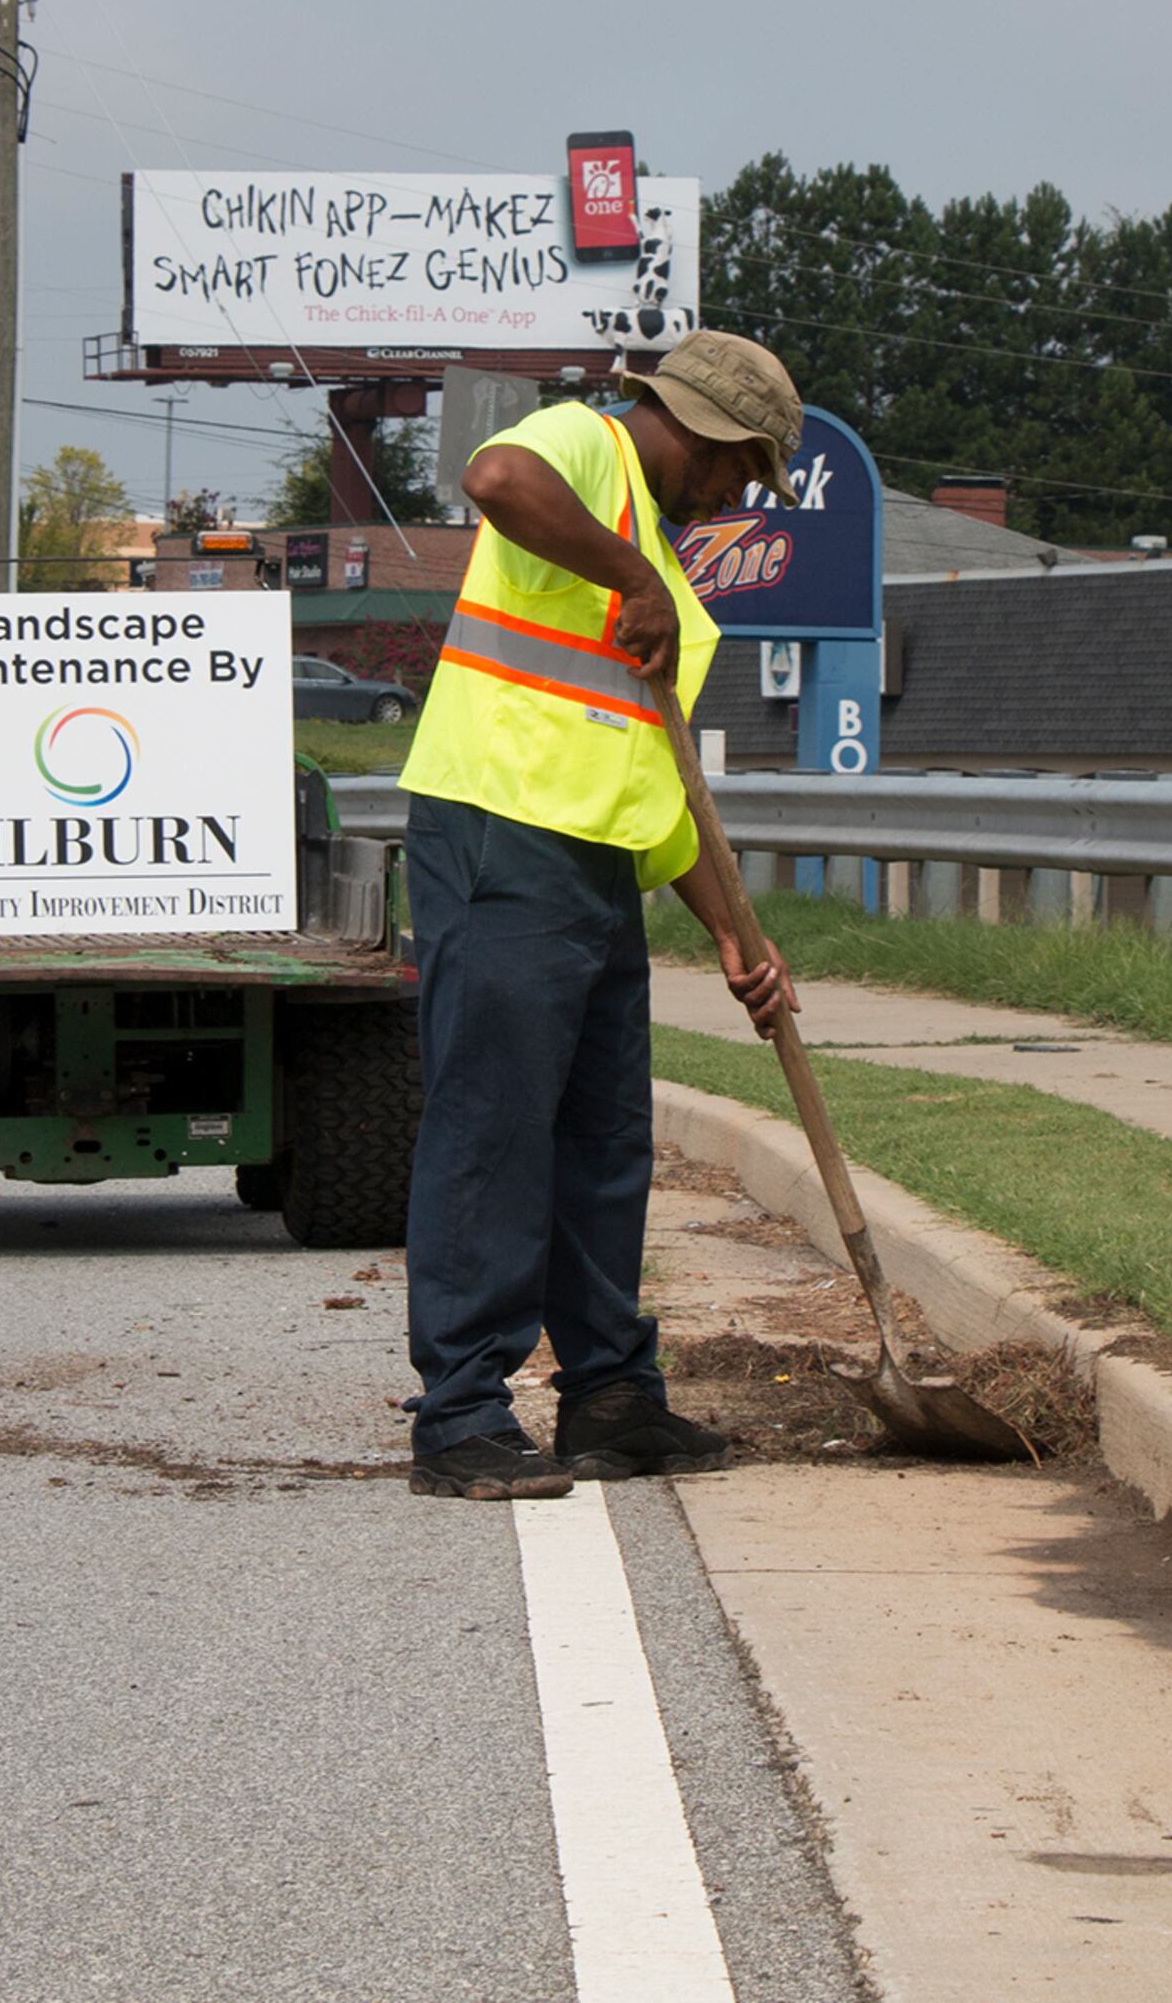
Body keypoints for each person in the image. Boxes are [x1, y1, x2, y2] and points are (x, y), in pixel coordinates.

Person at [394, 329, 805, 1501]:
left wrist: (736, 933)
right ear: (706, 429)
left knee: (605, 1136)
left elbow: (660, 789)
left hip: (593, 868)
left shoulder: (671, 589)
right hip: (498, 835)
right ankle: (463, 1414)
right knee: (495, 1127)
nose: (737, 498)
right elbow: (493, 480)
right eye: (741, 470)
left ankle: (610, 1398)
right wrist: (626, 576)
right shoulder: (586, 446)